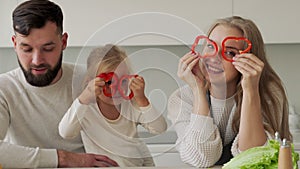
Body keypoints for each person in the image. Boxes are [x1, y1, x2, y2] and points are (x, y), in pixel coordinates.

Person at [0, 0, 118, 168]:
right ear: (14, 44)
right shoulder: (4, 88)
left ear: (63, 42)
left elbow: (123, 136)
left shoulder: (91, 81)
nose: (37, 60)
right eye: (26, 49)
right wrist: (63, 158)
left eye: (47, 48)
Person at [167, 16, 292, 167]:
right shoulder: (182, 99)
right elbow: (201, 158)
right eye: (211, 46)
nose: (215, 57)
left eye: (230, 53)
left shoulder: (268, 96)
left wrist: (251, 90)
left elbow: (255, 158)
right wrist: (198, 91)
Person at [58, 44, 168, 167]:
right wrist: (84, 98)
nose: (115, 88)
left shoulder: (130, 106)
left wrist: (142, 100)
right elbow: (65, 132)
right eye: (109, 81)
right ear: (91, 82)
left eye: (123, 81)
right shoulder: (86, 110)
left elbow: (160, 128)